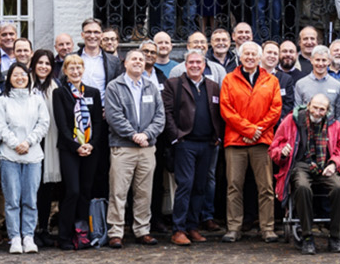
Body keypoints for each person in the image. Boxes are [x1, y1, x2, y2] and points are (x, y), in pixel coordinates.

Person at [270, 94, 340, 254]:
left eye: (322, 109)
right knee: (302, 187)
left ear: (327, 111)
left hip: (325, 164)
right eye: (315, 107)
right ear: (308, 106)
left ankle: (335, 237)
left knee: (339, 189)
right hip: (300, 164)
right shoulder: (291, 120)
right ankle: (307, 237)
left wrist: (334, 163)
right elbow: (274, 147)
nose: (317, 112)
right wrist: (282, 152)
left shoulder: (334, 124)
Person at [220, 42, 284, 243]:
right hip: (236, 141)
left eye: (253, 54)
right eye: (246, 54)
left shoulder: (272, 80)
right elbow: (226, 109)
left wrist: (257, 131)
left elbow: (275, 110)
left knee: (266, 187)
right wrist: (248, 130)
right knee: (234, 186)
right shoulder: (229, 79)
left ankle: (267, 228)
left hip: (262, 141)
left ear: (259, 57)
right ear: (240, 57)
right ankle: (234, 228)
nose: (249, 57)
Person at [100, 50, 163, 248]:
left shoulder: (151, 87)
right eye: (134, 59)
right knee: (118, 192)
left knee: (144, 192)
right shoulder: (114, 86)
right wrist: (133, 135)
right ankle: (116, 232)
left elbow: (160, 116)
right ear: (125, 63)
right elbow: (114, 116)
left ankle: (142, 230)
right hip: (123, 147)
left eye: (141, 60)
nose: (138, 62)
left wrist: (146, 134)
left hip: (146, 148)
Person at [162, 50, 223, 246]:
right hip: (185, 143)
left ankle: (193, 226)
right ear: (185, 64)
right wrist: (176, 136)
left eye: (199, 62)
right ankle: (178, 229)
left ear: (204, 66)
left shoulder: (212, 86)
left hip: (207, 144)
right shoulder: (174, 84)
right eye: (191, 62)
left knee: (200, 186)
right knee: (185, 185)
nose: (195, 65)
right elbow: (167, 112)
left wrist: (217, 136)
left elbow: (218, 112)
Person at [0, 63, 48, 254]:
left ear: (29, 77)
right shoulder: (3, 100)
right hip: (9, 155)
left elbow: (43, 123)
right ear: (9, 78)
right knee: (12, 199)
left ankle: (28, 236)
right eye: (15, 75)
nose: (20, 78)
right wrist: (15, 144)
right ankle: (14, 237)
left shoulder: (37, 99)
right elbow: (0, 126)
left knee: (30, 199)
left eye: (23, 74)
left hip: (33, 155)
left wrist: (28, 142)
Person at [51, 55, 109, 250]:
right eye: (71, 68)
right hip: (70, 148)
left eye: (78, 68)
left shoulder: (93, 92)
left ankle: (82, 233)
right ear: (65, 71)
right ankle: (64, 235)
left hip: (91, 149)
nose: (75, 71)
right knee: (72, 191)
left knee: (85, 191)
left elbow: (98, 122)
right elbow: (61, 124)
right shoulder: (60, 93)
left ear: (83, 70)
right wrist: (76, 145)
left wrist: (91, 144)